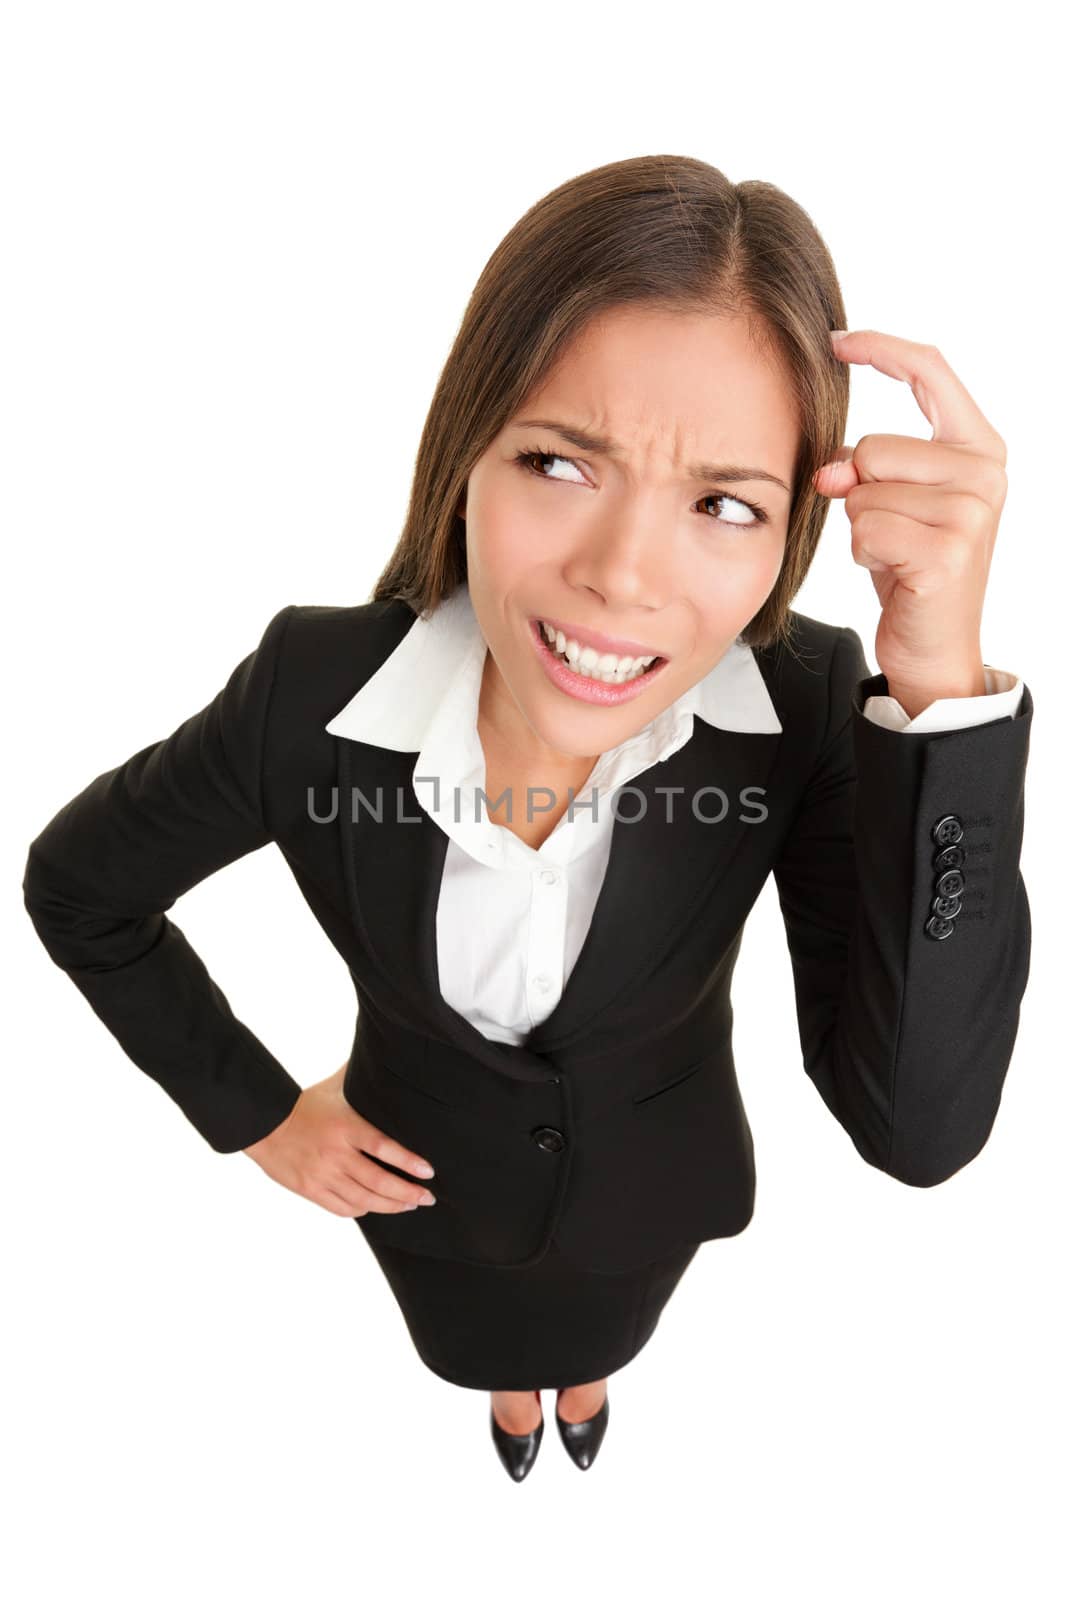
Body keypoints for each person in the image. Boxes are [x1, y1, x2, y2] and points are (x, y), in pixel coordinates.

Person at [22, 155, 1031, 1483]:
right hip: (427, 1206)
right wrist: (261, 1116)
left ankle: (587, 1372)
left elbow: (918, 1129)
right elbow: (81, 888)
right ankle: (514, 1395)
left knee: (595, 1330)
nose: (620, 577)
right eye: (560, 462)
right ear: (468, 454)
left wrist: (940, 673)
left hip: (652, 1203)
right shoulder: (313, 697)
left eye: (725, 504)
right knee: (494, 1355)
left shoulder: (801, 706)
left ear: (791, 539)